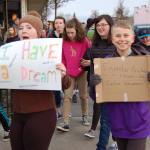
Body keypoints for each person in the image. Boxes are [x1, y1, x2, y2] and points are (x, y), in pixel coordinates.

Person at [9, 11, 71, 150]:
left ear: (38, 33)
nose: (23, 30)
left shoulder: (49, 53)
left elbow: (66, 85)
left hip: (41, 114)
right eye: (21, 28)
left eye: (29, 27)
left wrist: (62, 75)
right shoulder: (11, 54)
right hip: (18, 114)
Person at [104, 21, 150, 150]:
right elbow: (96, 96)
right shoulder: (105, 63)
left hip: (139, 121)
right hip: (118, 121)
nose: (122, 39)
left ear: (132, 38)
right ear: (112, 39)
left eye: (126, 35)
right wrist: (96, 84)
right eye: (118, 36)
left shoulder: (145, 60)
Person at [81, 14, 116, 150]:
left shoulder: (117, 42)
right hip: (100, 87)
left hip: (116, 87)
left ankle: (114, 143)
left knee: (114, 119)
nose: (101, 27)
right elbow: (88, 64)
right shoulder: (93, 44)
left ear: (110, 26)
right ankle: (102, 146)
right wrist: (86, 64)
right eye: (98, 25)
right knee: (105, 120)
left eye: (104, 25)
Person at [56, 18, 91, 132]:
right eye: (68, 32)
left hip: (82, 71)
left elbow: (89, 53)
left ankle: (85, 115)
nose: (70, 35)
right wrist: (64, 70)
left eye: (72, 32)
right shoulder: (63, 41)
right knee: (67, 97)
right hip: (69, 72)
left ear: (77, 30)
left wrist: (83, 66)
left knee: (83, 95)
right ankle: (66, 122)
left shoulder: (84, 41)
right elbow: (62, 57)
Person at [48, 16, 66, 119]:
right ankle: (58, 110)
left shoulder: (68, 35)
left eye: (60, 23)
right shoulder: (50, 35)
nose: (58, 25)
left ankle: (66, 109)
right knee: (56, 88)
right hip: (55, 65)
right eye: (56, 23)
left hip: (66, 65)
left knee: (66, 88)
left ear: (64, 24)